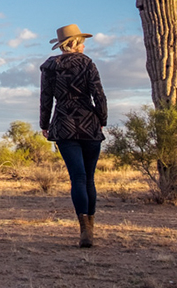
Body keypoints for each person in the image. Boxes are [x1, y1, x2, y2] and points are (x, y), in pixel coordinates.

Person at [39, 24, 108, 248]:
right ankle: (90, 228)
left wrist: (44, 124)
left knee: (77, 178)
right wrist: (101, 120)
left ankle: (84, 230)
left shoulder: (50, 66)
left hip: (64, 125)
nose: (84, 45)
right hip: (90, 125)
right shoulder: (88, 63)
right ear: (75, 44)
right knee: (89, 178)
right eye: (81, 41)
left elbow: (46, 98)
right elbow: (99, 95)